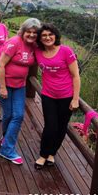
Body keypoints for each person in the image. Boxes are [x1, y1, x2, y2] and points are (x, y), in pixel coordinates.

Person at [0, 18, 41, 165]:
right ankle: (7, 147)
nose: (31, 35)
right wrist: (2, 87)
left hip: (20, 85)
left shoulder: (34, 46)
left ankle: (6, 145)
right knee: (9, 114)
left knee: (18, 116)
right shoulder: (14, 42)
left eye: (35, 33)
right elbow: (0, 64)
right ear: (23, 31)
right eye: (29, 32)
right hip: (4, 83)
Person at [34, 24, 80, 169]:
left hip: (66, 96)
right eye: (44, 36)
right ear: (40, 39)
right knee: (50, 126)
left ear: (56, 36)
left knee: (61, 127)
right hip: (48, 95)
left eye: (50, 34)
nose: (47, 38)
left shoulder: (66, 51)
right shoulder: (38, 52)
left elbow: (76, 76)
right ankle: (43, 155)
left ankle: (52, 154)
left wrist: (75, 98)